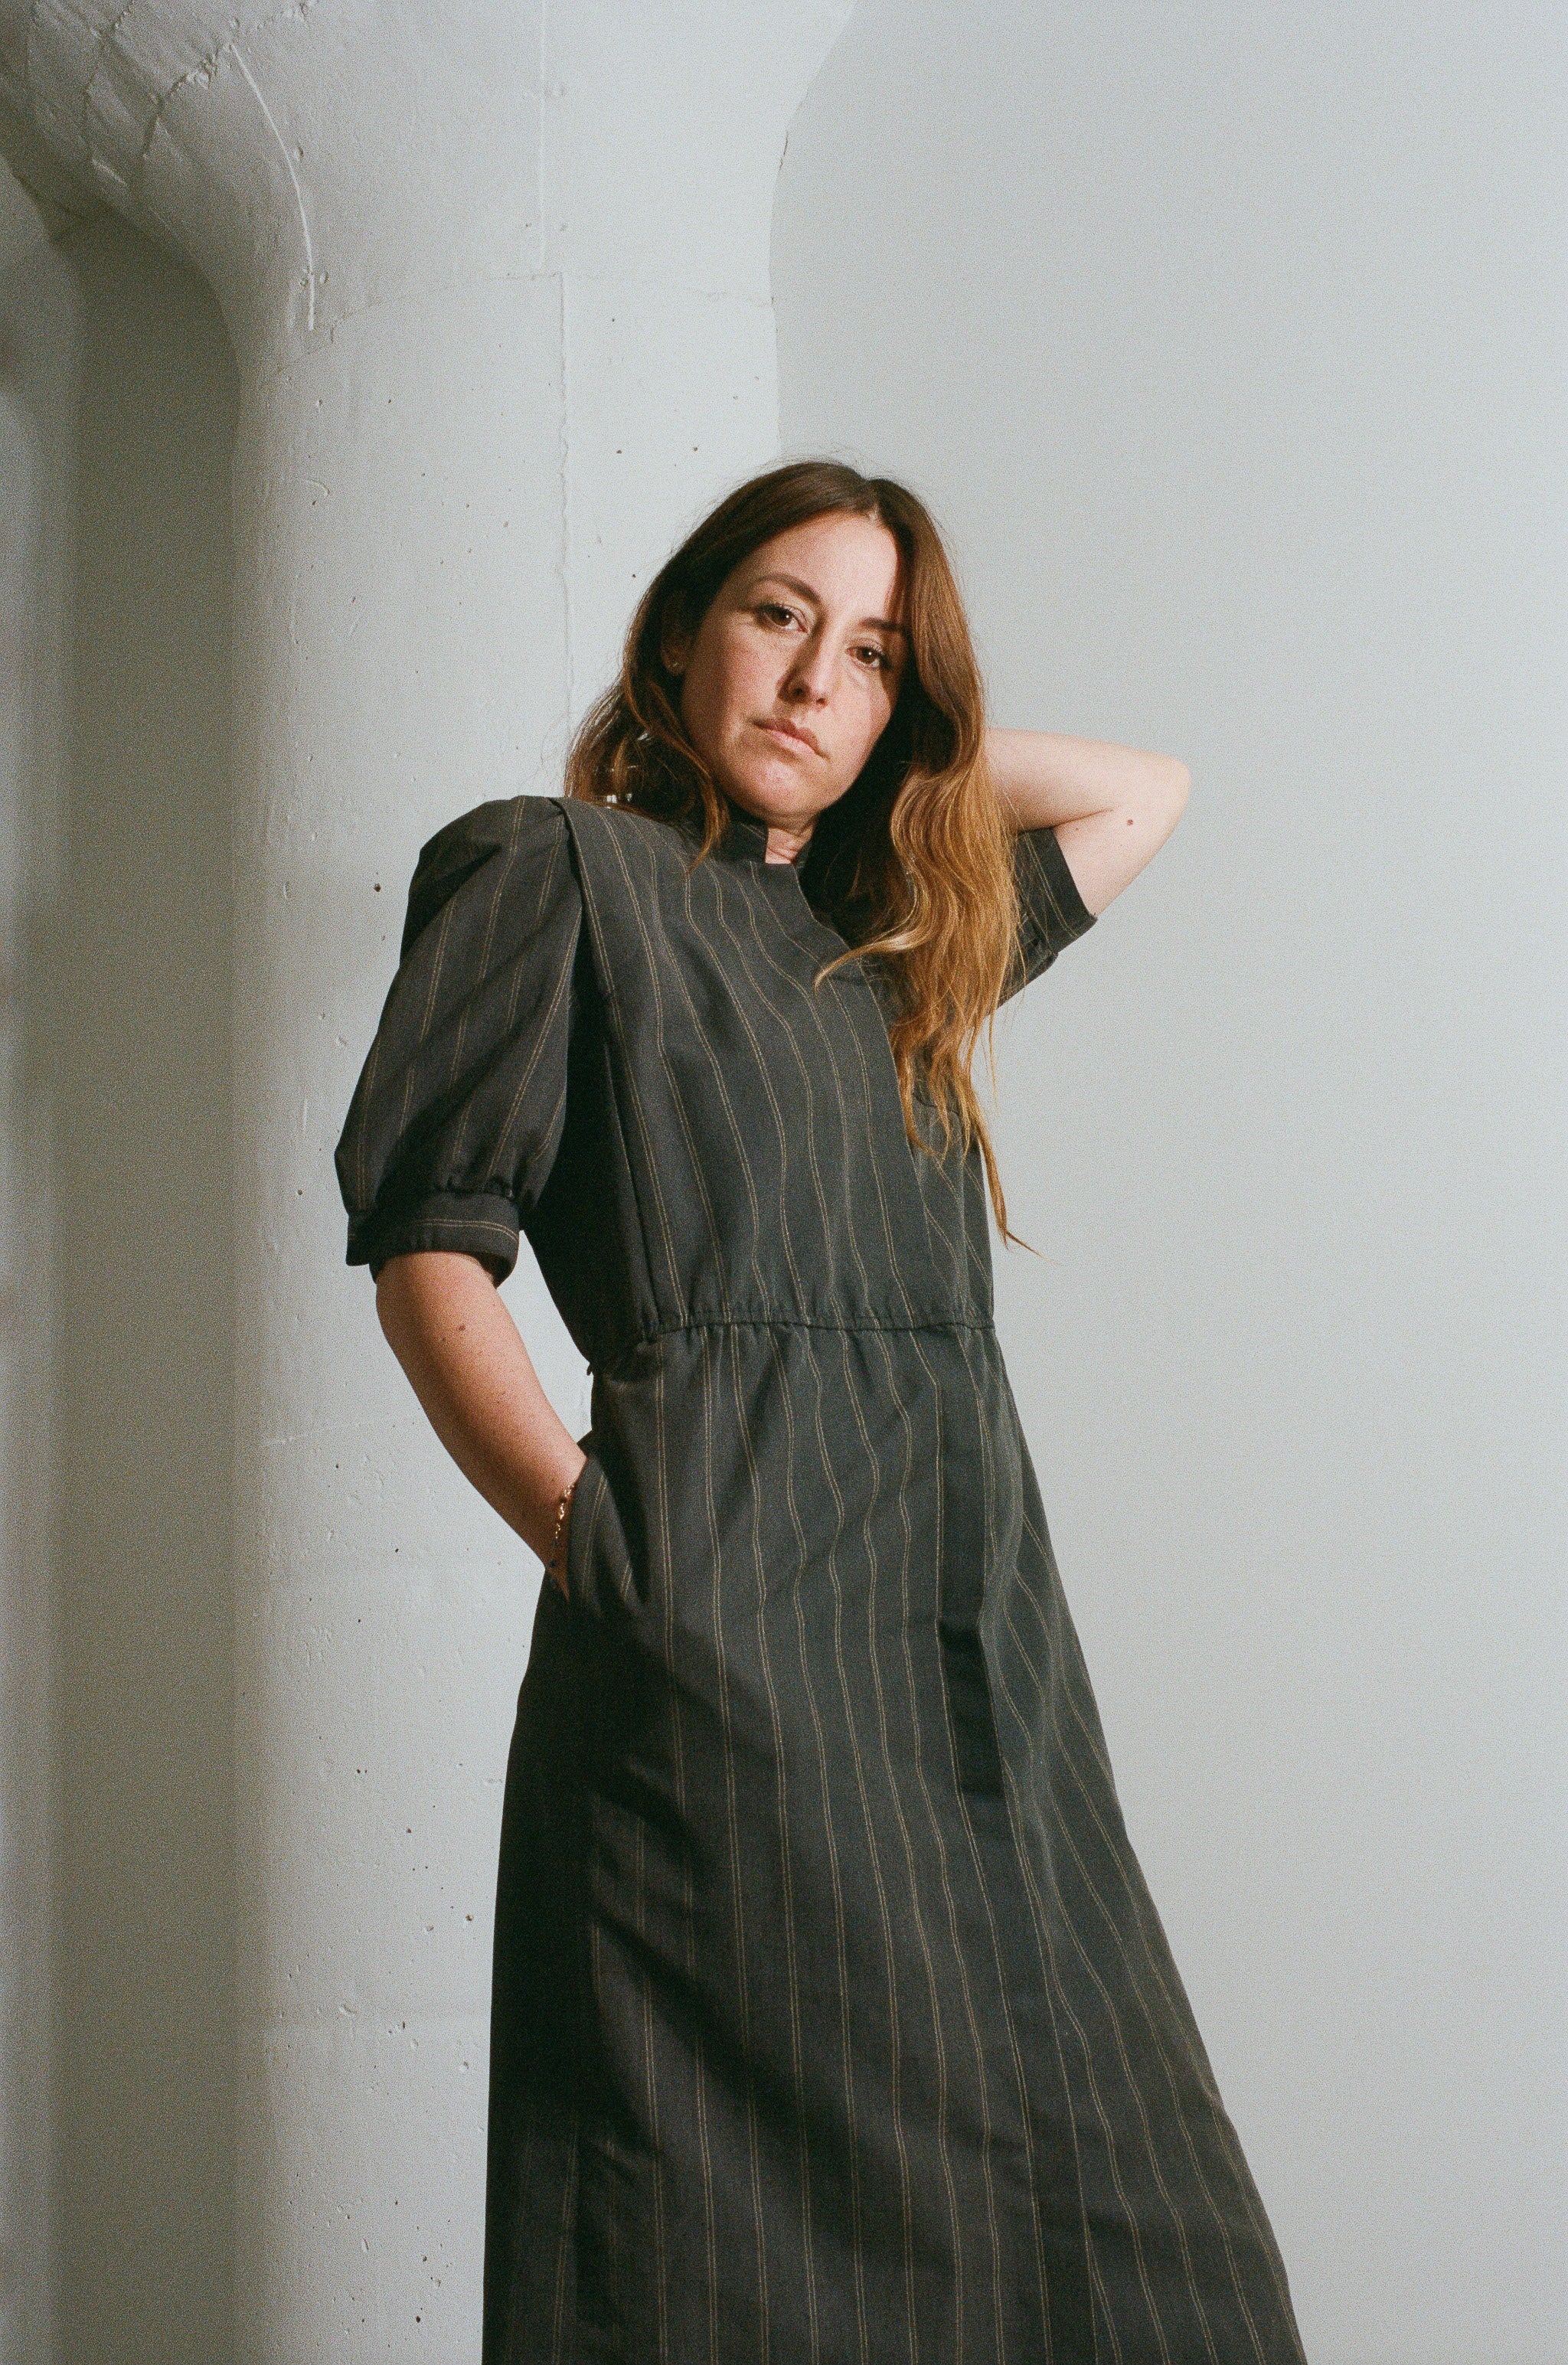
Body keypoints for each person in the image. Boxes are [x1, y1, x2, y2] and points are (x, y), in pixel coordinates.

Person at [335, 459, 1308, 2363]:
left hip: (977, 1647)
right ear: (684, 628)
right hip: (722, 1631)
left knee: (1115, 2209)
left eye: (871, 657)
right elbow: (429, 1248)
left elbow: (1143, 793)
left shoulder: (897, 943)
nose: (810, 685)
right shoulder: (558, 874)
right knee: (730, 2227)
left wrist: (909, 748)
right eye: (777, 616)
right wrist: (605, 1546)